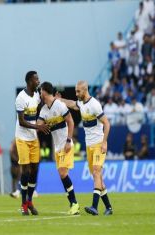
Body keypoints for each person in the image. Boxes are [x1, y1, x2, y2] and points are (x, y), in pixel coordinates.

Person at [57, 80, 113, 216]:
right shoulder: (81, 103)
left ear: (85, 90)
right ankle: (109, 207)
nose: (76, 93)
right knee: (97, 176)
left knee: (96, 172)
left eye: (78, 91)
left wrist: (104, 142)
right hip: (89, 146)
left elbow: (107, 123)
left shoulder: (94, 105)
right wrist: (59, 100)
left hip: (99, 144)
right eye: (75, 91)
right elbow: (71, 104)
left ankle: (94, 207)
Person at [37, 82, 80, 215]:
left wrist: (68, 140)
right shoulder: (44, 110)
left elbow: (71, 122)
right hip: (57, 147)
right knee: (62, 175)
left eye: (40, 91)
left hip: (66, 145)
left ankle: (74, 203)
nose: (39, 94)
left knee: (63, 173)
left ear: (44, 91)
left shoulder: (59, 105)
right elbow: (38, 125)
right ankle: (73, 203)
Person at [15, 71, 50, 216]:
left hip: (33, 138)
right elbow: (22, 121)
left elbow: (43, 107)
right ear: (29, 81)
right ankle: (23, 204)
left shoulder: (36, 95)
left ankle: (29, 200)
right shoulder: (20, 98)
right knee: (26, 170)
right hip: (22, 138)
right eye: (36, 79)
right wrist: (38, 127)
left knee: (35, 169)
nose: (38, 81)